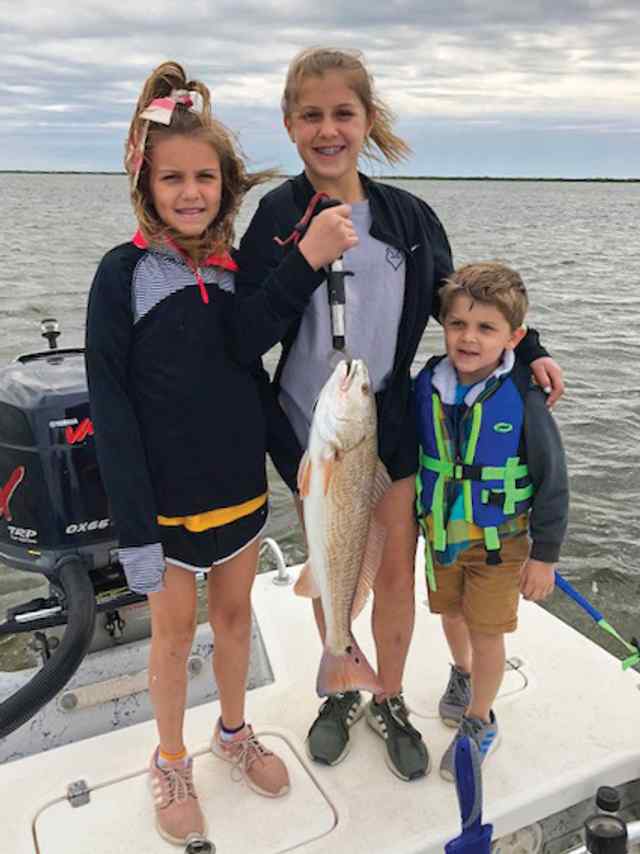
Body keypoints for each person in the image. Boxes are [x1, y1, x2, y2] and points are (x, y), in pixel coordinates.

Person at [234, 46, 565, 782]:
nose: (328, 130)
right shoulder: (278, 216)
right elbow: (244, 333)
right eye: (311, 116)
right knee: (333, 563)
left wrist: (530, 344)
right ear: (290, 125)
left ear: (367, 120)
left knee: (390, 571)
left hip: (386, 420)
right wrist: (305, 259)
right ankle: (337, 677)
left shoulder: (408, 218)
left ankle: (385, 692)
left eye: (343, 114)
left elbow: (462, 300)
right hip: (309, 424)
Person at [85, 61, 356, 846]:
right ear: (146, 183)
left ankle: (232, 734)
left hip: (239, 499)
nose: (191, 192)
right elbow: (110, 407)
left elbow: (253, 375)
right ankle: (169, 758)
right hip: (163, 513)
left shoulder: (240, 273)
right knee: (173, 637)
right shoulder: (123, 275)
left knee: (234, 620)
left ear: (228, 187)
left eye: (206, 176)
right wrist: (134, 528)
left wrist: (303, 477)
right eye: (174, 178)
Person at [414, 262, 569, 779]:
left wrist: (544, 557)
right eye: (458, 324)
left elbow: (553, 482)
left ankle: (480, 717)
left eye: (486, 328)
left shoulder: (525, 398)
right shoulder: (425, 385)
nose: (469, 338)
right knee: (451, 616)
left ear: (515, 337)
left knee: (486, 631)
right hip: (440, 537)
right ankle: (461, 675)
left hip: (500, 546)